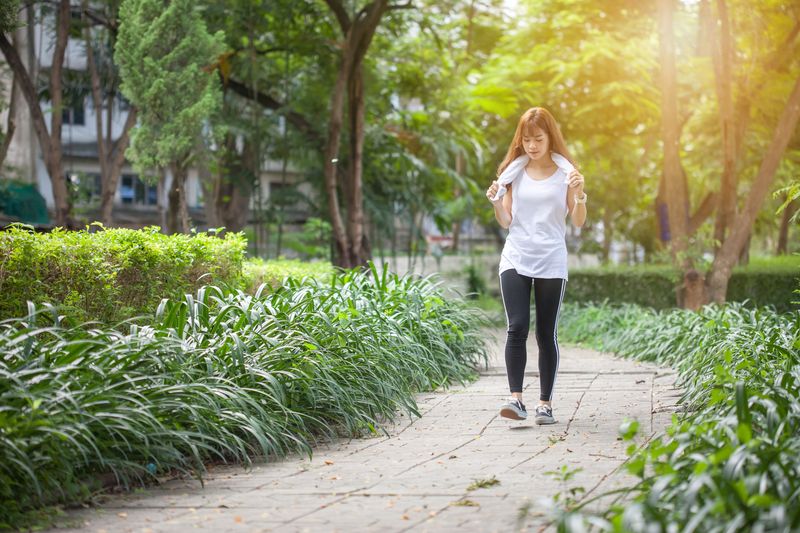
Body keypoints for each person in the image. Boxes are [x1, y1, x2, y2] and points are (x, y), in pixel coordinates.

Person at [485, 106, 587, 425]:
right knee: (516, 327)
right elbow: (506, 220)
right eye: (526, 139)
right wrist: (494, 202)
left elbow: (579, 221)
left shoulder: (566, 174)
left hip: (551, 258)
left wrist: (580, 194)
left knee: (546, 332)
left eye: (538, 138)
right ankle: (516, 400)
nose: (532, 145)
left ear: (550, 137)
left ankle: (545, 404)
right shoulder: (512, 174)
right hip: (516, 254)